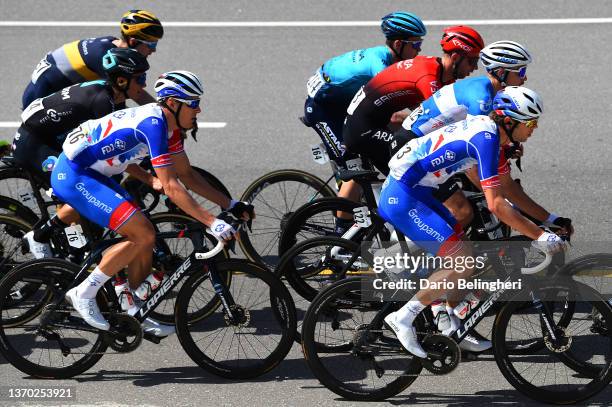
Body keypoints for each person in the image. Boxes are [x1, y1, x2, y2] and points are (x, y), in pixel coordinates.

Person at [47, 70, 254, 337]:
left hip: (97, 173)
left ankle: (132, 308)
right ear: (172, 103)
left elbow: (187, 175)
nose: (199, 109)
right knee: (141, 233)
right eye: (193, 103)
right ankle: (83, 292)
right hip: (75, 174)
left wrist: (231, 203)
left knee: (146, 235)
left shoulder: (172, 129)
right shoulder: (153, 125)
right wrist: (212, 222)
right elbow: (170, 185)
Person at [378, 86, 568, 358]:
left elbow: (509, 191)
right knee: (462, 260)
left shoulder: (493, 137)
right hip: (403, 194)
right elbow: (496, 204)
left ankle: (449, 321)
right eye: (531, 123)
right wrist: (539, 236)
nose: (534, 129)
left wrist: (549, 220)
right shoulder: (486, 138)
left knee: (466, 255)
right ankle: (403, 318)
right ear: (509, 120)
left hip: (420, 189)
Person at [335, 26, 484, 233]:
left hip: (369, 123)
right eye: (473, 61)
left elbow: (429, 117)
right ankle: (414, 239)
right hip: (364, 130)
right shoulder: (429, 79)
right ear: (457, 57)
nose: (475, 68)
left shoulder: (440, 73)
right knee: (418, 178)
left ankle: (349, 229)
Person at [15, 48, 150, 259]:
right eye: (140, 78)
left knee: (99, 179)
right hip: (33, 145)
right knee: (80, 188)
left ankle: (79, 237)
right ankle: (43, 238)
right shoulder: (102, 102)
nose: (144, 84)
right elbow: (113, 151)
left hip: (48, 137)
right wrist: (148, 178)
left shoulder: (114, 96)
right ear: (122, 81)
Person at [303, 11, 426, 175]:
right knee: (355, 172)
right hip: (322, 111)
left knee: (380, 143)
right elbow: (396, 111)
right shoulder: (378, 65)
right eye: (416, 44)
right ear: (398, 44)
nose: (419, 49)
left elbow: (407, 98)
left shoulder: (385, 57)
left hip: (341, 103)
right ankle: (339, 201)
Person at [22, 9, 163, 109]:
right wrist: (167, 116)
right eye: (152, 44)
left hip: (48, 86)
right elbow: (136, 95)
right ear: (133, 41)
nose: (154, 50)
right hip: (41, 96)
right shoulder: (106, 59)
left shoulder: (112, 44)